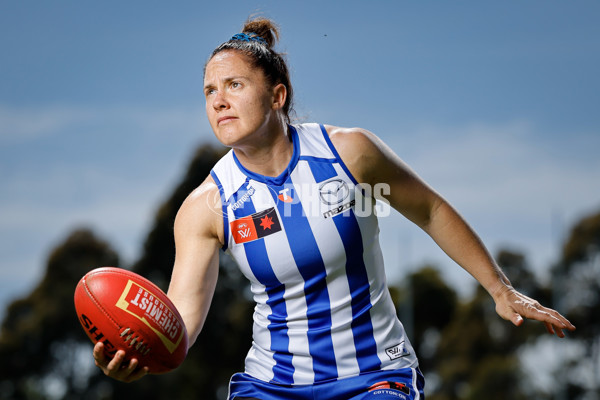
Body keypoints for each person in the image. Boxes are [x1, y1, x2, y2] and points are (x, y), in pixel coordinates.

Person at [92, 17, 575, 399]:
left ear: (277, 95)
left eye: (234, 85)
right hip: (272, 387)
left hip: (373, 377)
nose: (219, 100)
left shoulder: (349, 154)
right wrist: (143, 350)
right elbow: (181, 321)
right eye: (209, 91)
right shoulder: (205, 206)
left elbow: (429, 211)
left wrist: (501, 289)